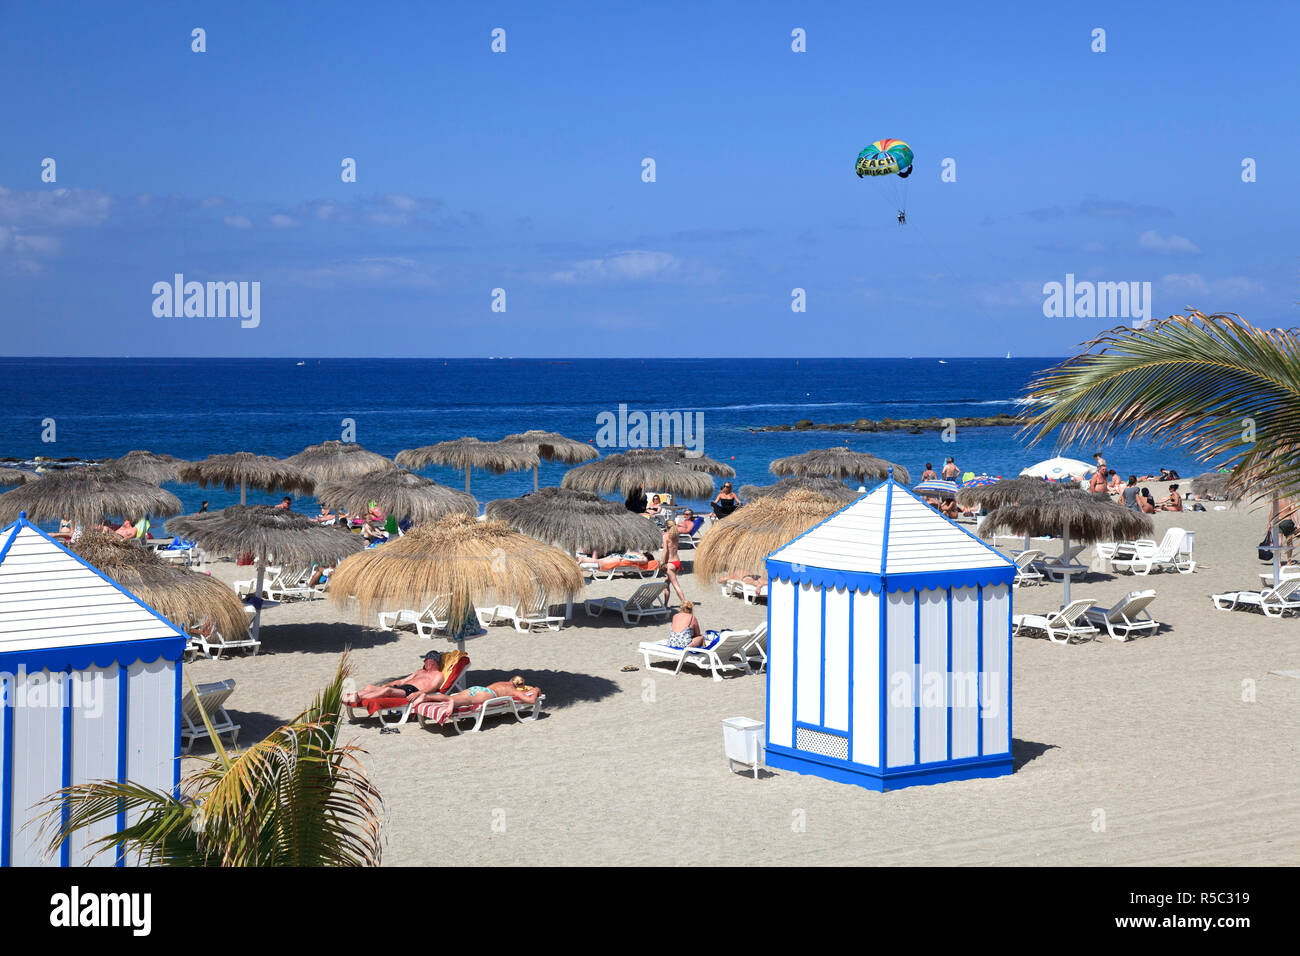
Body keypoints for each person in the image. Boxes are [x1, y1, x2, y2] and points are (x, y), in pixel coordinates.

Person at [345, 652, 446, 705]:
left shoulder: (438, 674)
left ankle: (360, 698)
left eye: (428, 661)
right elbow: (402, 681)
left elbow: (433, 687)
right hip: (403, 687)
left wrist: (418, 693)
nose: (425, 663)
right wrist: (388, 684)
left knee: (387, 691)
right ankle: (351, 696)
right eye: (425, 661)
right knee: (370, 687)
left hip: (412, 691)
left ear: (433, 662)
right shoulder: (419, 671)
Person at [409, 675, 541, 711]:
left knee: (450, 696)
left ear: (510, 680)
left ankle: (427, 697)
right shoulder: (513, 690)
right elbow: (529, 700)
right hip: (488, 694)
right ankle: (452, 703)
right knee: (467, 702)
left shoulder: (502, 682)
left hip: (477, 688)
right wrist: (534, 691)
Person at [660, 517, 686, 605]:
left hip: (670, 563)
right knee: (667, 583)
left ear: (667, 527)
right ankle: (665, 604)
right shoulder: (676, 535)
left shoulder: (666, 536)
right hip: (677, 562)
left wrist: (662, 562)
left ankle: (684, 603)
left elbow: (665, 551)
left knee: (676, 586)